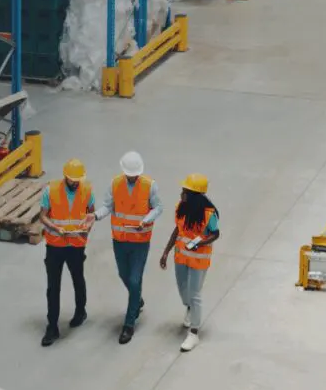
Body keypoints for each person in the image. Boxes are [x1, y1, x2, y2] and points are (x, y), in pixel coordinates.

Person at [90, 151, 163, 344]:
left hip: (140, 241)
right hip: (120, 240)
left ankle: (129, 324)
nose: (132, 177)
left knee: (134, 278)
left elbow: (158, 208)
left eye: (135, 174)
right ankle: (136, 299)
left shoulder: (149, 186)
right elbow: (108, 206)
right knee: (124, 276)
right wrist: (96, 216)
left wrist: (146, 219)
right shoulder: (115, 184)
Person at [159, 173, 220, 352]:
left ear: (193, 195)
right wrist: (165, 252)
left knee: (194, 294)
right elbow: (177, 230)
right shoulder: (181, 207)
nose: (181, 193)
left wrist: (200, 243)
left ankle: (194, 333)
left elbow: (215, 233)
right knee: (183, 291)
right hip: (181, 258)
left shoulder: (209, 214)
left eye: (184, 191)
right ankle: (189, 308)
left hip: (198, 261)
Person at [39, 159, 96, 347]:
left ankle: (81, 311)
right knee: (53, 287)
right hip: (55, 245)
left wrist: (87, 227)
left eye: (78, 179)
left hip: (76, 245)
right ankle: (52, 326)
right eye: (72, 179)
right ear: (65, 176)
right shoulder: (51, 190)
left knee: (78, 280)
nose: (75, 182)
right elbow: (43, 216)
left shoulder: (87, 190)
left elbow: (91, 214)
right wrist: (55, 227)